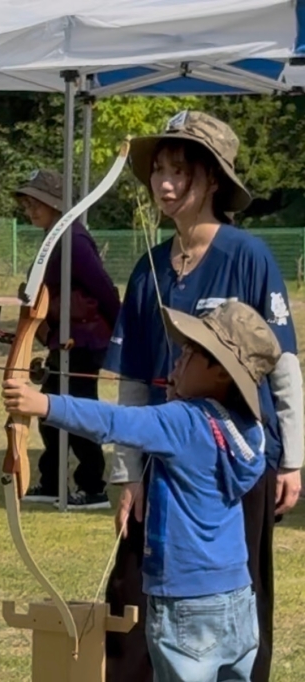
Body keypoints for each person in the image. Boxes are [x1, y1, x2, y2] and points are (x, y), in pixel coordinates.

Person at [103, 110, 302, 682]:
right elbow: (135, 383)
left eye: (180, 171)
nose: (164, 183)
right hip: (164, 464)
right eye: (158, 170)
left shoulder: (248, 256)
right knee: (136, 587)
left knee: (242, 589)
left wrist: (292, 458)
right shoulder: (147, 270)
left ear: (212, 179)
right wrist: (128, 473)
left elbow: (284, 366)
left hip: (238, 463)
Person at [4, 299, 280, 682]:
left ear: (220, 373)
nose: (179, 358)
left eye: (192, 353)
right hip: (237, 597)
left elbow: (114, 421)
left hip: (185, 604)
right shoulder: (248, 430)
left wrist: (43, 404)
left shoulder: (183, 422)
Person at [14, 169, 120, 510]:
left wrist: (118, 333)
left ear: (55, 204)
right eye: (28, 204)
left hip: (84, 343)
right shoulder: (56, 236)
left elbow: (104, 290)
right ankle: (53, 481)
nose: (31, 210)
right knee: (52, 411)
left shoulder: (73, 240)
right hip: (65, 340)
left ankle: (92, 488)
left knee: (76, 412)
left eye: (37, 203)